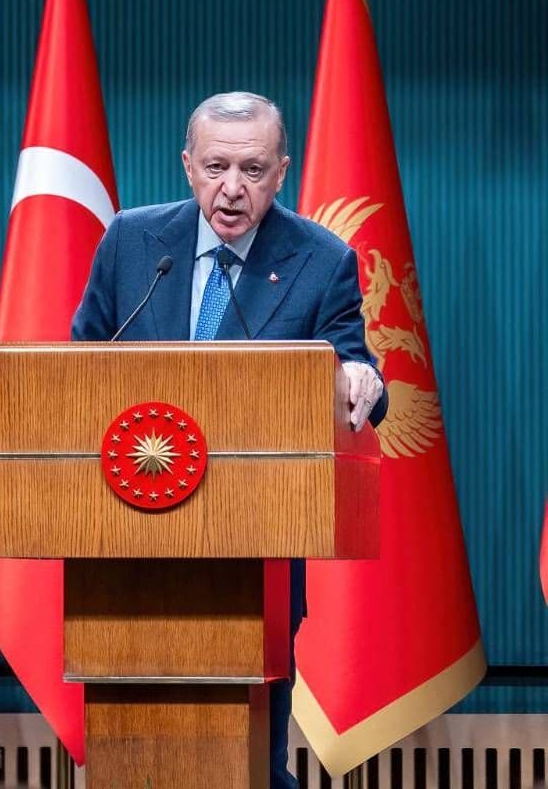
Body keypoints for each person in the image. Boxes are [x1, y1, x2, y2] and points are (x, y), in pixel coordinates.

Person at [70, 91, 386, 789]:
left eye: (252, 169)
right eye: (216, 168)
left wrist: (359, 378)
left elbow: (354, 374)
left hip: (255, 560)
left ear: (281, 172)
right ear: (188, 166)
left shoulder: (321, 260)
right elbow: (78, 371)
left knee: (252, 765)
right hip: (127, 554)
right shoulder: (131, 242)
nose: (232, 189)